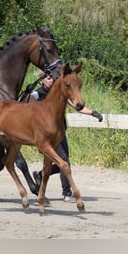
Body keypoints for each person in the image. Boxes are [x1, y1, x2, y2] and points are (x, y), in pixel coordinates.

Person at [22, 70, 103, 202]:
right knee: (64, 160)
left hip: (60, 132)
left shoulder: (60, 92)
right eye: (47, 78)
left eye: (51, 78)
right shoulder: (38, 93)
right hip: (47, 134)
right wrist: (27, 92)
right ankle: (66, 192)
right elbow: (24, 103)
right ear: (42, 80)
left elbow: (76, 106)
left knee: (65, 162)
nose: (50, 80)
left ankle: (40, 174)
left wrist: (93, 113)